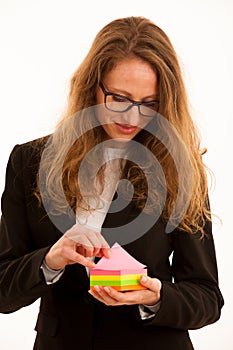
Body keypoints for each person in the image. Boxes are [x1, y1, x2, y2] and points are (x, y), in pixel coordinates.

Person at [0, 16, 224, 350]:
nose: (132, 118)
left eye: (150, 103)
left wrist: (156, 297)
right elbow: (3, 292)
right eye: (119, 98)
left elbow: (207, 298)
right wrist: (50, 260)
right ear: (92, 85)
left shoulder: (179, 169)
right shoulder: (30, 161)